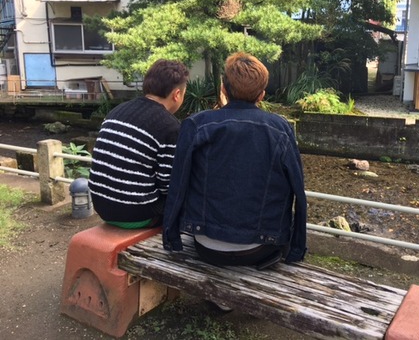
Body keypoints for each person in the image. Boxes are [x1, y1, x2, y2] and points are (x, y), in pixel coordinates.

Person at [163, 52, 307, 269]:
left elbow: (178, 184)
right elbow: (298, 190)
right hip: (259, 248)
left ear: (223, 89)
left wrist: (171, 237)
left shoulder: (196, 124)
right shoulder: (280, 129)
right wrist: (296, 250)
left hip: (205, 245)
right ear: (261, 95)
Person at [89, 59, 190, 228]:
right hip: (136, 213)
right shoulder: (170, 127)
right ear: (177, 94)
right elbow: (168, 186)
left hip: (102, 206)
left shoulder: (116, 111)